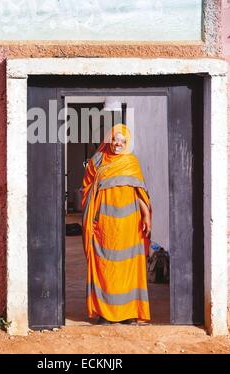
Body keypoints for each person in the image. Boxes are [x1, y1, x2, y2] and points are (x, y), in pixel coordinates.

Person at [81, 123, 152, 325]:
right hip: (104, 222)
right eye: (115, 139)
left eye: (122, 141)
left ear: (127, 143)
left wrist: (146, 215)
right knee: (106, 264)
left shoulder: (131, 162)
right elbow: (86, 189)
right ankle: (105, 313)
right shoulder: (97, 161)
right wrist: (90, 219)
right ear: (109, 140)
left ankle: (129, 313)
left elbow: (139, 192)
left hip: (130, 222)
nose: (118, 144)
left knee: (129, 265)